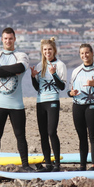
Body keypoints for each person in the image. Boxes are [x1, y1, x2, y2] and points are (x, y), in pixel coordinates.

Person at [0, 27, 34, 172]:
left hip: (16, 105)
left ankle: (25, 165)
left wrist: (2, 70)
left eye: (11, 38)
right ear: (2, 39)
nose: (8, 41)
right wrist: (13, 70)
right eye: (5, 38)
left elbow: (20, 66)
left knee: (20, 136)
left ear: (15, 39)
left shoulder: (21, 55)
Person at [30, 37, 67, 172]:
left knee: (52, 132)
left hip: (53, 101)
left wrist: (54, 74)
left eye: (50, 49)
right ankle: (48, 164)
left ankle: (57, 163)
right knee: (43, 134)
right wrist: (33, 77)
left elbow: (62, 87)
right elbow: (36, 87)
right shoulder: (40, 66)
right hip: (40, 102)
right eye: (45, 50)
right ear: (42, 51)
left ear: (54, 50)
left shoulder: (60, 65)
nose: (47, 52)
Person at [68, 44, 94, 171]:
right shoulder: (76, 71)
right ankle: (82, 165)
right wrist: (71, 93)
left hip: (92, 105)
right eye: (82, 53)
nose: (85, 55)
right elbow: (69, 91)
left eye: (87, 53)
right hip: (77, 106)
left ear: (92, 53)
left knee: (93, 136)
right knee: (81, 137)